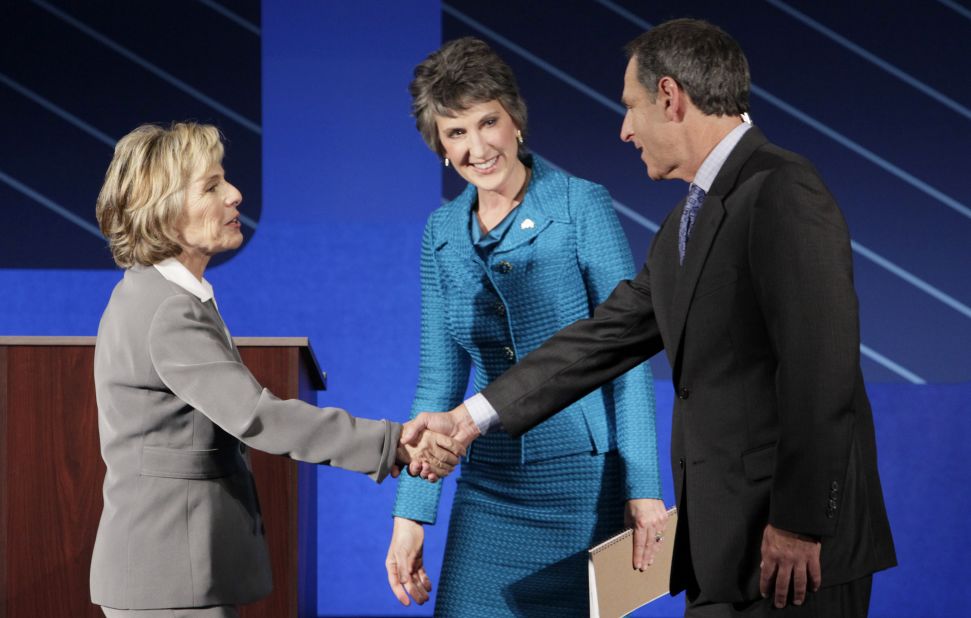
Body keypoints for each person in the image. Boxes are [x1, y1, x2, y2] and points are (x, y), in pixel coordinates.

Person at [408, 19, 896, 617]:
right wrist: (469, 418)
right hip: (726, 552)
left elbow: (823, 370)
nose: (624, 129)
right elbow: (603, 339)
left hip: (792, 553)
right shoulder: (684, 225)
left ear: (670, 98)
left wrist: (797, 525)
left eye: (631, 107)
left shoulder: (782, 189)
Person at [89, 122, 461, 617]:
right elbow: (256, 416)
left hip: (178, 571)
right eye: (211, 186)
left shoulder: (161, 295)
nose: (235, 194)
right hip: (168, 575)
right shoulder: (167, 310)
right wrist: (391, 442)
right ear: (164, 212)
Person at [386, 37, 666, 617]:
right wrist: (410, 515)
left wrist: (644, 488)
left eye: (487, 121)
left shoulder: (580, 204)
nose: (477, 145)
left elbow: (629, 356)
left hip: (583, 485)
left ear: (515, 121)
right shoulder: (439, 234)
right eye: (455, 132)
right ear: (439, 146)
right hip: (488, 485)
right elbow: (437, 384)